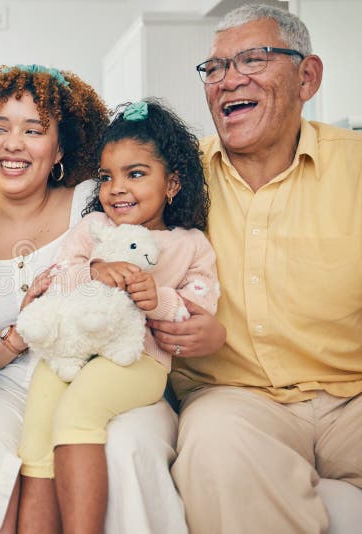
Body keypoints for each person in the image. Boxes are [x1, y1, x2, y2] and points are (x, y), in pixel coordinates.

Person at [0, 65, 197, 534]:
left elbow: (156, 231)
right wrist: (24, 331)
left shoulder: (92, 199)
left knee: (123, 444)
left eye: (33, 130)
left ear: (60, 147)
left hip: (107, 372)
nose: (13, 144)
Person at [148, 5, 362, 533]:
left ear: (307, 76)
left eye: (252, 59)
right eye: (215, 67)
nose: (228, 80)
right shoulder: (173, 182)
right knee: (215, 447)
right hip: (234, 401)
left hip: (354, 396)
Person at [17, 99, 218, 533]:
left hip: (138, 361)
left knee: (77, 413)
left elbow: (201, 306)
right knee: (36, 430)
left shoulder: (190, 244)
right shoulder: (93, 231)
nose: (116, 188)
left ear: (173, 183)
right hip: (75, 349)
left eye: (136, 174)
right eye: (107, 176)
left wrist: (157, 297)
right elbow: (55, 278)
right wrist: (93, 271)